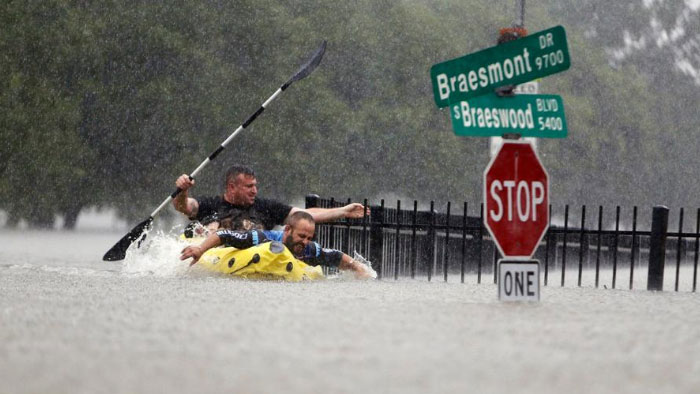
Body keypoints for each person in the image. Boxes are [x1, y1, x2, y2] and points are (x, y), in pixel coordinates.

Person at [180, 211, 375, 279]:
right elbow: (224, 235)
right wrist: (200, 249)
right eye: (301, 236)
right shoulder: (261, 237)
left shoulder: (308, 248)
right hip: (237, 258)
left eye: (309, 237)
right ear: (287, 230)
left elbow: (335, 256)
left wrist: (358, 268)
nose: (305, 242)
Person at [174, 164, 368, 233]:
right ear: (232, 187)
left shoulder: (266, 207)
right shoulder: (211, 204)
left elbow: (304, 215)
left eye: (255, 186)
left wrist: (343, 211)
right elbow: (184, 207)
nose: (254, 191)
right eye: (249, 186)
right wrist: (182, 190)